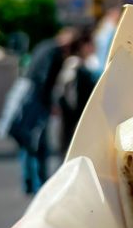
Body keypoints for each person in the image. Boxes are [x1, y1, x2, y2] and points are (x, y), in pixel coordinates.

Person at [10, 27, 82, 194]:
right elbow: (46, 79)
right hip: (36, 100)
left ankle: (28, 182)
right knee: (38, 143)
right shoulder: (55, 53)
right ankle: (39, 184)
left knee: (27, 141)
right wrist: (50, 105)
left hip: (23, 95)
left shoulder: (45, 45)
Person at [57, 30, 96, 157]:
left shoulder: (79, 64)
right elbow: (71, 95)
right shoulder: (75, 64)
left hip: (73, 116)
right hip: (74, 117)